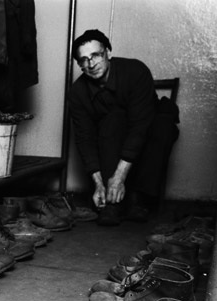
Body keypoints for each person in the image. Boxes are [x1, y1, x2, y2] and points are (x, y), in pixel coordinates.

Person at [69, 29, 179, 226]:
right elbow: (84, 138)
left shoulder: (136, 71)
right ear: (79, 64)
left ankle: (138, 198)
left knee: (163, 125)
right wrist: (99, 184)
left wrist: (119, 178)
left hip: (146, 133)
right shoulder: (78, 92)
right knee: (112, 118)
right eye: (84, 60)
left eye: (96, 55)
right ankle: (112, 203)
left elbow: (139, 127)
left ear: (108, 53)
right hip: (109, 142)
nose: (91, 64)